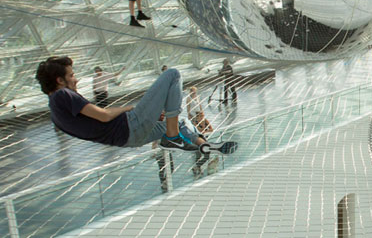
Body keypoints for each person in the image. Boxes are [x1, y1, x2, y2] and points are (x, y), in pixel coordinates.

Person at [37, 56, 236, 154]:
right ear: (59, 80)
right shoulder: (62, 95)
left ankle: (205, 146)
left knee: (181, 122)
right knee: (173, 74)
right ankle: (172, 136)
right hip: (130, 125)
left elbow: (96, 122)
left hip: (127, 139)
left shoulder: (55, 115)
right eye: (71, 75)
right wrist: (129, 108)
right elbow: (104, 115)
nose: (76, 79)